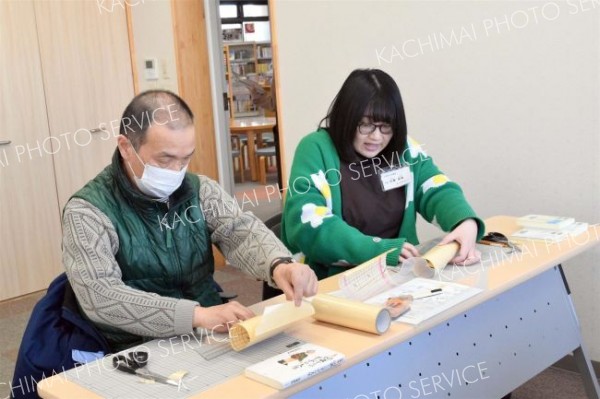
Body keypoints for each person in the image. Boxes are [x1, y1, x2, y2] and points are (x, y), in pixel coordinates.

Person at [62, 90, 318, 351]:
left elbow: (240, 231)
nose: (176, 171)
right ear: (127, 147)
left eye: (185, 159)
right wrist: (196, 316)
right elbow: (101, 297)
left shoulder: (199, 189)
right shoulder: (88, 211)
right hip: (135, 345)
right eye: (165, 158)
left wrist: (279, 264)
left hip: (209, 330)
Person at [281, 69, 485, 279]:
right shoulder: (316, 149)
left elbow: (435, 187)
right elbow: (309, 224)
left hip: (398, 275)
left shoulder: (403, 148)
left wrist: (464, 222)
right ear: (346, 118)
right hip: (332, 281)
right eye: (366, 125)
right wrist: (379, 251)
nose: (376, 136)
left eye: (386, 126)